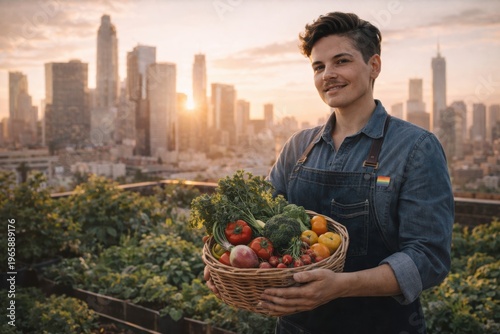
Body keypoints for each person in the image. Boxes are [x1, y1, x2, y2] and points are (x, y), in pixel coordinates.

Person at [205, 11, 454, 334]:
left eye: (341, 61)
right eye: (319, 67)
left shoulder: (416, 148)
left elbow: (429, 258)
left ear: (374, 66)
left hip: (382, 326)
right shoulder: (298, 146)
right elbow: (256, 224)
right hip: (296, 326)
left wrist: (340, 285)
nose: (328, 75)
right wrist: (227, 262)